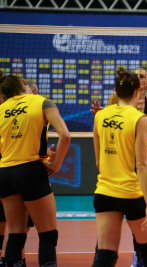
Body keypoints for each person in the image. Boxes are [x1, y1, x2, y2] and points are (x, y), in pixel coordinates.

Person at [92, 68, 147, 267]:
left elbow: (99, 162)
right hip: (131, 194)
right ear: (137, 92)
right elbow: (141, 164)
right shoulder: (141, 119)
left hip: (104, 193)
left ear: (116, 90)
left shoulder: (100, 116)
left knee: (105, 256)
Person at [0, 72, 71, 266]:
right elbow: (65, 135)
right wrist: (55, 165)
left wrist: (40, 150)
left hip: (5, 173)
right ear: (24, 83)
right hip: (30, 172)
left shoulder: (1, 108)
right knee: (48, 235)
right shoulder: (42, 102)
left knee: (15, 235)